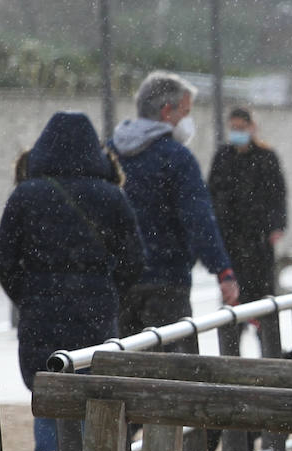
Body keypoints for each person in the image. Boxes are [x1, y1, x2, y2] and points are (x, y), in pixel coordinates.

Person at [0, 111, 145, 451]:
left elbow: (2, 256)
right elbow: (134, 259)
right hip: (94, 309)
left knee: (49, 386)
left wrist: (27, 294)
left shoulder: (26, 195)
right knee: (91, 390)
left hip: (41, 308)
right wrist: (108, 291)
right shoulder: (111, 196)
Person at [110, 71, 237, 343]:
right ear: (167, 111)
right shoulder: (177, 158)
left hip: (119, 282)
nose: (188, 121)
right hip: (167, 281)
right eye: (186, 112)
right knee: (173, 362)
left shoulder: (109, 153)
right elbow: (198, 217)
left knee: (123, 362)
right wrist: (222, 270)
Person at [208, 107, 287, 306]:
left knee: (262, 293)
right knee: (234, 295)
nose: (237, 132)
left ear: (252, 127)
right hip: (231, 236)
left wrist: (277, 225)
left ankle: (262, 325)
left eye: (241, 127)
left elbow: (278, 194)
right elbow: (213, 192)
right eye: (233, 128)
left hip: (259, 236)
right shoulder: (223, 156)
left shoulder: (266, 157)